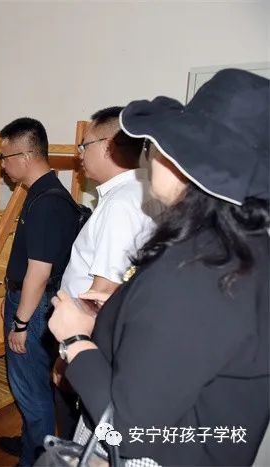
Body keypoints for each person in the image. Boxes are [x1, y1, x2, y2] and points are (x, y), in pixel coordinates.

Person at [49, 69, 269, 465]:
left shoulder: (197, 273)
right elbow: (186, 345)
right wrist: (120, 312)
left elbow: (126, 435)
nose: (150, 158)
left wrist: (74, 341)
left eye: (160, 148)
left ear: (188, 163)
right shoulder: (240, 250)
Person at [53, 107, 161, 439]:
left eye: (84, 145)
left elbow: (102, 292)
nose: (79, 154)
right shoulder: (141, 191)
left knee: (78, 433)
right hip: (111, 339)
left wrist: (71, 351)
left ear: (107, 146)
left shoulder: (120, 205)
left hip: (89, 338)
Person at [0, 117, 81, 465]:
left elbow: (40, 272)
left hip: (33, 310)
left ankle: (35, 459)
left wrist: (20, 322)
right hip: (27, 302)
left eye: (5, 157)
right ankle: (30, 443)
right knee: (33, 387)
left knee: (31, 392)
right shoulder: (41, 193)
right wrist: (11, 298)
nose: (2, 165)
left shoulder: (48, 201)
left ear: (26, 156)